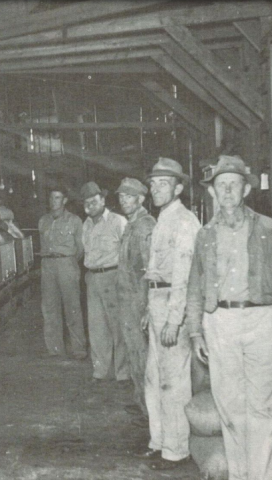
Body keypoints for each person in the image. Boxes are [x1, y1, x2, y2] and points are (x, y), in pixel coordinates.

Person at [187, 155, 272, 480]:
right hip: (219, 323)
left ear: (245, 190)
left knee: (262, 407)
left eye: (233, 185)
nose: (227, 191)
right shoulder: (205, 234)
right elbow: (194, 286)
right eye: (221, 186)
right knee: (231, 410)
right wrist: (195, 332)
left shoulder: (267, 228)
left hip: (262, 320)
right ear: (212, 192)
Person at [135, 157, 200, 471]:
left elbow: (185, 275)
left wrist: (175, 319)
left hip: (175, 306)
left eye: (162, 183)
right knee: (153, 379)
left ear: (179, 187)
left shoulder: (184, 221)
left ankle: (176, 451)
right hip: (158, 301)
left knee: (173, 383)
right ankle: (158, 441)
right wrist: (151, 309)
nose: (155, 188)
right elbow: (158, 271)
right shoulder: (163, 218)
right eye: (152, 183)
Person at [115, 178, 156, 426]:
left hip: (137, 301)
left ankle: (150, 412)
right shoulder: (132, 224)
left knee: (142, 354)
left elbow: (150, 269)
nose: (123, 200)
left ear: (141, 199)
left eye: (128, 196)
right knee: (134, 353)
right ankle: (141, 400)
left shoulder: (144, 226)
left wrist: (146, 305)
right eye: (121, 196)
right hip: (128, 299)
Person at [81, 181, 129, 381]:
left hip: (113, 276)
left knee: (118, 327)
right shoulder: (86, 225)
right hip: (93, 279)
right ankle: (100, 372)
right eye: (86, 203)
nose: (90, 206)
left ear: (103, 200)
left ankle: (123, 374)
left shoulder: (118, 222)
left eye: (94, 201)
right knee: (97, 328)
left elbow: (127, 254)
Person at [38, 187, 87, 360]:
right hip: (47, 265)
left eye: (57, 198)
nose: (53, 201)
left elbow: (81, 248)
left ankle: (78, 349)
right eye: (51, 198)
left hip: (66, 263)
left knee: (72, 307)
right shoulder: (43, 221)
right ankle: (55, 349)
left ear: (64, 200)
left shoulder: (75, 221)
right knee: (50, 308)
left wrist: (69, 261)